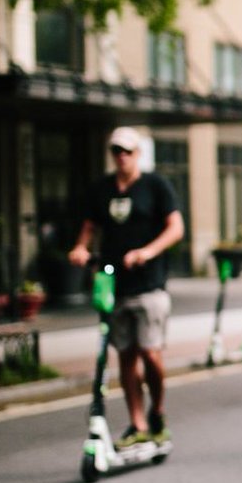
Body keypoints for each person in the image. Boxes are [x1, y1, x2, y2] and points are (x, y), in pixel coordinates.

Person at [69, 127, 184, 447]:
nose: (121, 156)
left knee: (151, 354)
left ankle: (157, 411)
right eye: (116, 151)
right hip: (114, 285)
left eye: (127, 151)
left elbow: (176, 229)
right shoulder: (101, 190)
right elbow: (89, 227)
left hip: (149, 285)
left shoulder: (155, 186)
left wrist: (147, 252)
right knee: (126, 357)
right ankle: (138, 423)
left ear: (138, 154)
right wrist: (80, 248)